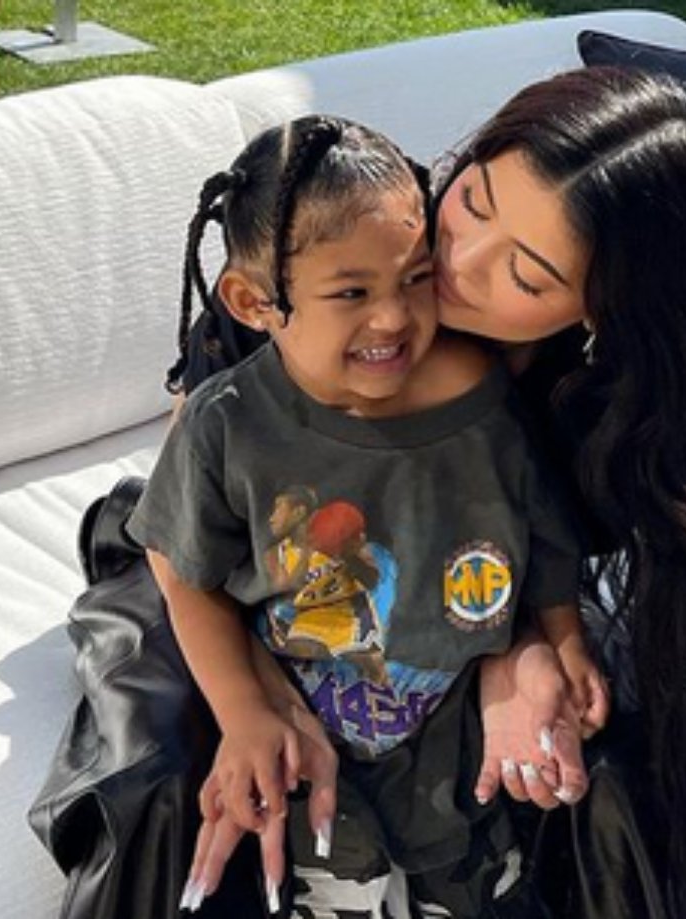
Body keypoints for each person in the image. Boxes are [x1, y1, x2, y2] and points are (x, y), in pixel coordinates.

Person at [30, 65, 686, 919]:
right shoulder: (339, 237)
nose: (455, 262)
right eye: (474, 202)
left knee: (597, 752)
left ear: (602, 313)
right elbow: (186, 522)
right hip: (231, 563)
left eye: (526, 275)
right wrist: (265, 696)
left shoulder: (597, 405)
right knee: (168, 774)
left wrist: (514, 649)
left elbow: (530, 545)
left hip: (443, 576)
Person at [127, 112, 609, 917]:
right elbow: (187, 573)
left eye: (415, 278)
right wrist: (242, 712)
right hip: (311, 749)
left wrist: (559, 640)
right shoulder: (227, 425)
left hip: (459, 747)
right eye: (352, 293)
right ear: (251, 301)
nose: (392, 317)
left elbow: (544, 533)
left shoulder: (485, 401)